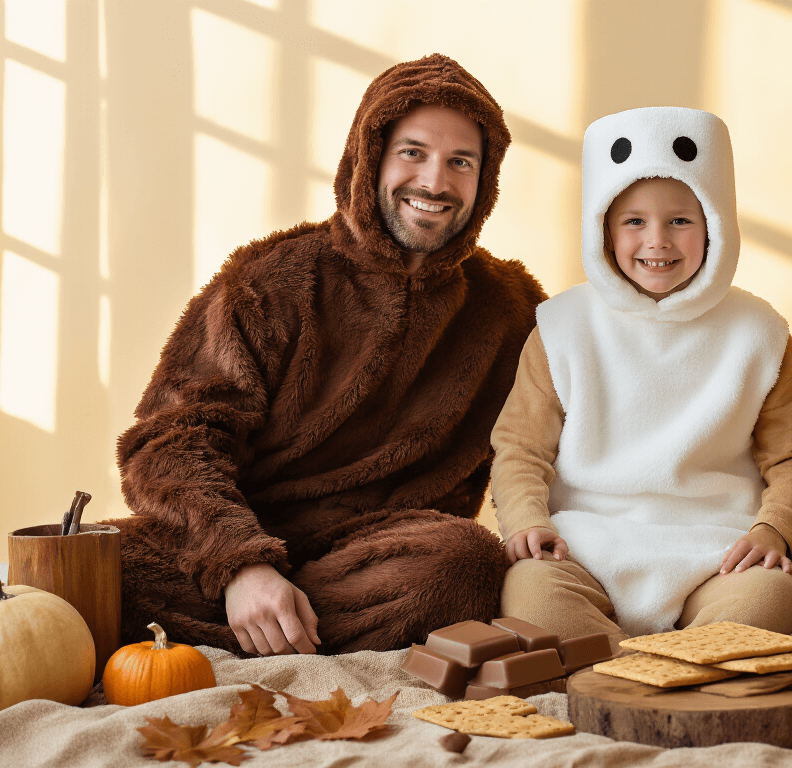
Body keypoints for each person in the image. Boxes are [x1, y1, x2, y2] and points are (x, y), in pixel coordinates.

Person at [109, 54, 545, 656]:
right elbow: (169, 442)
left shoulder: (511, 308)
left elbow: (560, 441)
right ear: (369, 157)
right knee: (78, 568)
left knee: (463, 565)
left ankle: (264, 630)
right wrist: (240, 565)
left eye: (460, 162)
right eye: (412, 152)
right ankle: (268, 617)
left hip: (389, 557)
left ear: (486, 178)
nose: (435, 183)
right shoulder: (271, 279)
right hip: (241, 534)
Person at [491, 107, 792, 642]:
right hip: (584, 548)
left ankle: (627, 659)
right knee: (531, 594)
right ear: (602, 227)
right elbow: (519, 447)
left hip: (715, 553)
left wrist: (774, 530)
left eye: (680, 220)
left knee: (773, 595)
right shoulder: (563, 326)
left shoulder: (759, 333)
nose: (657, 241)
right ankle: (654, 667)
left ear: (715, 223)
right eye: (633, 221)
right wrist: (529, 522)